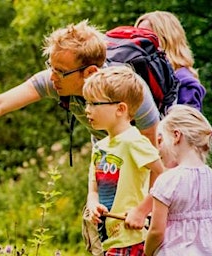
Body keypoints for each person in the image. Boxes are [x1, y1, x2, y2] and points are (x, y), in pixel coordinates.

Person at [0, 20, 161, 255]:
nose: (52, 77)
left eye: (61, 71)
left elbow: (159, 161)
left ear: (89, 72)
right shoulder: (57, 81)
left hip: (144, 173)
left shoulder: (131, 93)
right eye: (51, 67)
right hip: (106, 166)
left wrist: (144, 209)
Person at [83, 66, 164, 255]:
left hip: (132, 239)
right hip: (108, 239)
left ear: (120, 109)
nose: (87, 110)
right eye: (86, 103)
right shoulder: (100, 146)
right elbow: (93, 188)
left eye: (94, 104)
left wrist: (142, 210)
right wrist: (92, 204)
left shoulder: (133, 141)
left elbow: (164, 176)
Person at [144, 105, 212, 255]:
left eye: (160, 141)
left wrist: (148, 251)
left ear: (176, 136)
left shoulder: (167, 181)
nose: (158, 149)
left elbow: (156, 232)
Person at [135, 11, 206, 111]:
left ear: (167, 39)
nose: (140, 42)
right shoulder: (145, 78)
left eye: (147, 37)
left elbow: (186, 125)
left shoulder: (185, 83)